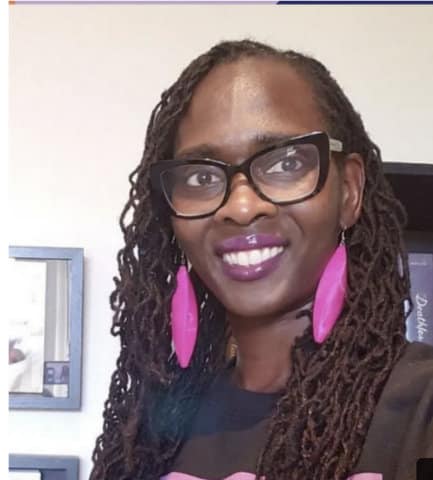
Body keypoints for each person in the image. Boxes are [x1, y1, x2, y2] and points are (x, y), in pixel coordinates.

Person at [90, 40, 433, 480]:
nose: (242, 206)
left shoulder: (421, 408)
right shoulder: (151, 431)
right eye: (200, 175)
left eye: (286, 162)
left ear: (348, 192)